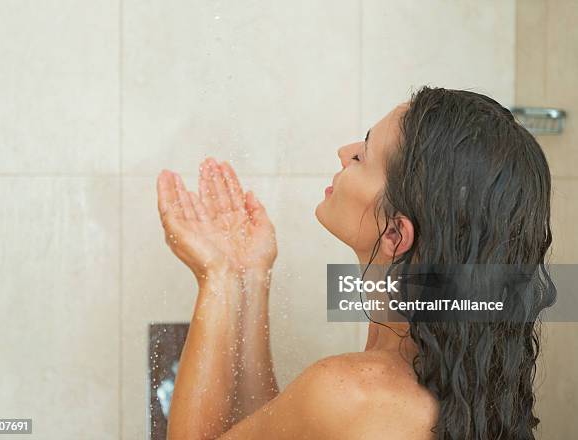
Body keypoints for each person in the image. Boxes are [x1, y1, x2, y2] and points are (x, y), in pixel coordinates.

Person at [156, 86, 553, 439]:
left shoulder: (353, 393)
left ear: (395, 235)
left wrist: (219, 278)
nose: (345, 152)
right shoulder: (454, 386)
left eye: (363, 153)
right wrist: (251, 273)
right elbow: (280, 428)